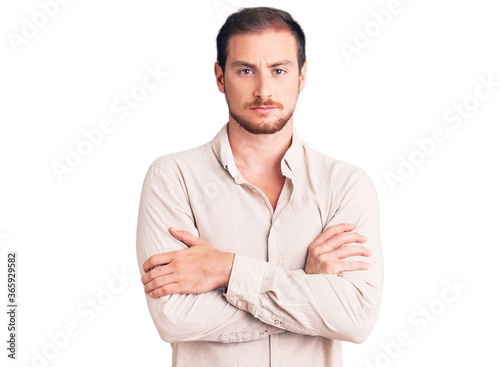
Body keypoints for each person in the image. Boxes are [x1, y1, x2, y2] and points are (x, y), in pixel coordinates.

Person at [136, 6, 383, 367]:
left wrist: (227, 270)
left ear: (301, 76)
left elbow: (356, 318)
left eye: (279, 70)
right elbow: (175, 318)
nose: (264, 90)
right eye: (246, 70)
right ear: (220, 78)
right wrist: (305, 287)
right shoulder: (173, 177)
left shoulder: (345, 185)